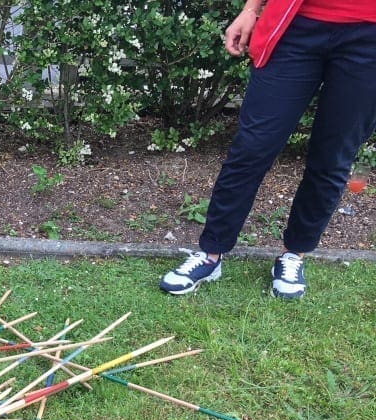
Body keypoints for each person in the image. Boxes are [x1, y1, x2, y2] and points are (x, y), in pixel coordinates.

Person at [159, 0, 376, 299]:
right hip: (295, 26)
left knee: (333, 158)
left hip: (369, 38)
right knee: (252, 148)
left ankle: (293, 255)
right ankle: (211, 253)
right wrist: (250, 9)